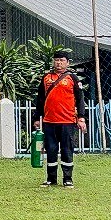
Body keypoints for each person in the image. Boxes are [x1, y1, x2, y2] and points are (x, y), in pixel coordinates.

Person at [33, 50, 87, 188]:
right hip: (49, 121)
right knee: (50, 149)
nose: (59, 63)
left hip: (67, 121)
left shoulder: (73, 78)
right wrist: (37, 117)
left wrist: (81, 118)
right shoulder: (46, 77)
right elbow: (40, 99)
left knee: (67, 149)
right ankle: (51, 178)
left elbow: (80, 99)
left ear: (67, 63)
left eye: (62, 60)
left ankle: (67, 178)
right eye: (56, 60)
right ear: (53, 61)